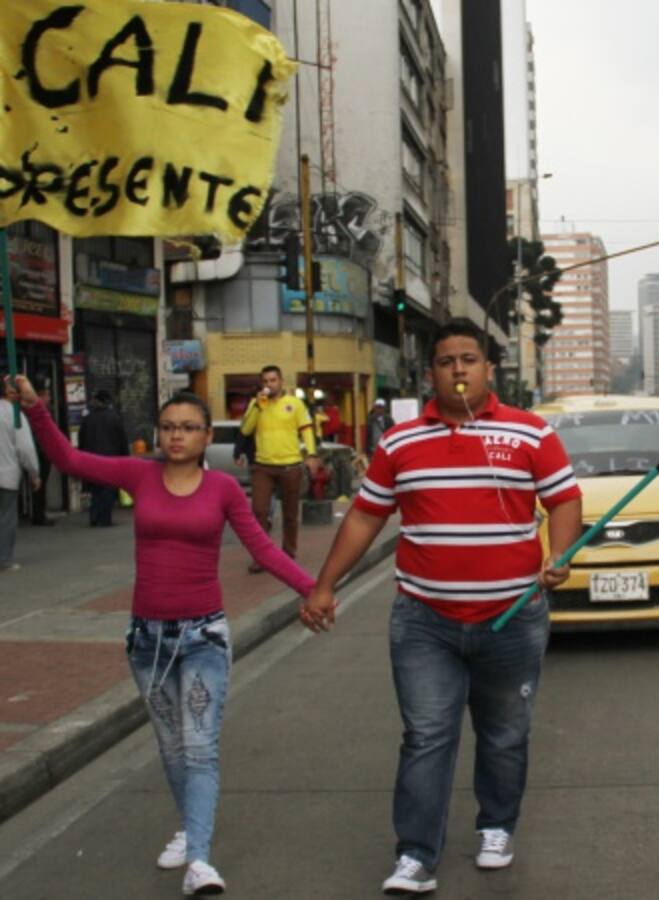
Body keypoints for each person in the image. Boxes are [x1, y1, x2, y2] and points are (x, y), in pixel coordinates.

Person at [300, 318, 582, 895]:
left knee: (505, 733)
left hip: (512, 618)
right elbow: (363, 516)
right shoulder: (400, 442)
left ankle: (497, 827)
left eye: (469, 359)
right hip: (424, 621)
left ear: (488, 369)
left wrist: (560, 554)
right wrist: (324, 584)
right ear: (430, 372)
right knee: (426, 735)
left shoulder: (530, 434)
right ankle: (415, 856)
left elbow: (564, 500)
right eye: (447, 360)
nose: (459, 369)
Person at [9, 374, 319, 895]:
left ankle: (199, 859)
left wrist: (314, 590)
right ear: (158, 434)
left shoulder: (222, 489)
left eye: (189, 428)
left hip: (203, 638)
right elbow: (69, 461)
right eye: (168, 427)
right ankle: (189, 828)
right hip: (147, 640)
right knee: (173, 750)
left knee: (199, 750)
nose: (177, 435)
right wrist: (38, 408)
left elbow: (263, 549)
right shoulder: (139, 475)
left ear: (205, 438)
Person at [239, 366, 321, 571]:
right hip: (263, 466)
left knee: (290, 513)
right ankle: (261, 557)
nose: (269, 384)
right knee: (258, 511)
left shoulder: (295, 404)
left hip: (290, 465)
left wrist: (310, 454)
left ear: (281, 381)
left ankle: (288, 553)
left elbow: (307, 431)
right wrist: (257, 406)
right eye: (265, 381)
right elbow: (245, 429)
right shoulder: (256, 404)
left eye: (273, 380)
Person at [0, 380, 40, 572]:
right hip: (6, 475)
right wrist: (34, 473)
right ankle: (3, 558)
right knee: (6, 518)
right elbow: (25, 448)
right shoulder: (14, 415)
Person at [78, 389, 129, 527]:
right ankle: (105, 519)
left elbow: (81, 441)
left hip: (91, 460)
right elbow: (122, 440)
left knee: (95, 490)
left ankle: (94, 517)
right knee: (108, 490)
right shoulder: (114, 418)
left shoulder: (87, 419)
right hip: (110, 460)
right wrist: (125, 459)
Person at [29, 377, 56, 526]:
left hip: (41, 451)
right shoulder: (40, 411)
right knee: (40, 484)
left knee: (39, 484)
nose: (50, 397)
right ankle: (39, 515)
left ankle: (38, 513)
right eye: (48, 394)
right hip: (41, 452)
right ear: (42, 395)